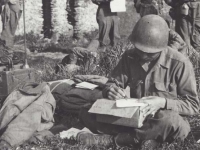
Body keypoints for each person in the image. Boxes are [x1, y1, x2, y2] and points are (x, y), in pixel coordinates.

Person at [76, 15, 199, 149]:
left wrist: (162, 102)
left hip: (161, 120)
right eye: (140, 51)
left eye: (150, 54)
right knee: (86, 110)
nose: (144, 56)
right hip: (134, 117)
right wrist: (110, 90)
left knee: (170, 120)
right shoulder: (130, 56)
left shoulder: (180, 63)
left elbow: (193, 105)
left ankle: (112, 140)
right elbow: (112, 83)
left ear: (162, 48)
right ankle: (146, 140)